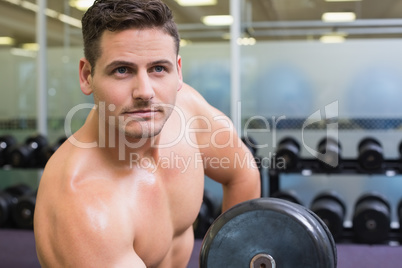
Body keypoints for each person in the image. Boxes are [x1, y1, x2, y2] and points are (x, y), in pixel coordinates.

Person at [34, 0, 261, 267]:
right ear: (87, 76)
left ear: (177, 72)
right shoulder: (85, 209)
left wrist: (233, 258)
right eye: (122, 70)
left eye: (158, 69)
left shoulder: (187, 109)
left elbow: (242, 173)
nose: (145, 91)